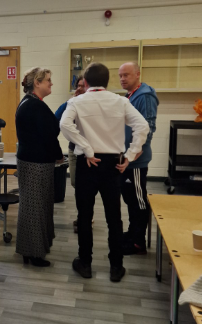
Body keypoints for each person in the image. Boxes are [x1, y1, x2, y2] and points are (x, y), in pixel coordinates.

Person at [60, 62, 149, 282]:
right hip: (113, 165)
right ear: (108, 81)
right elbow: (143, 126)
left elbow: (64, 124)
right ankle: (116, 267)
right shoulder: (120, 101)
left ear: (86, 82)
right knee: (114, 218)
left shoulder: (76, 101)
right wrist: (130, 155)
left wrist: (87, 148)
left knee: (84, 216)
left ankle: (85, 263)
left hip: (87, 163)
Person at [15, 67, 63, 267]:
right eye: (48, 80)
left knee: (33, 206)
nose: (51, 83)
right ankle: (33, 253)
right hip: (36, 164)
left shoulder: (30, 103)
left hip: (32, 161)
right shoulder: (34, 106)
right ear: (37, 82)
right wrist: (58, 155)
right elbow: (48, 136)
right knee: (35, 208)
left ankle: (31, 250)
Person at [118, 62, 159, 255]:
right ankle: (133, 233)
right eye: (120, 76)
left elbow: (149, 125)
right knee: (130, 198)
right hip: (128, 158)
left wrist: (138, 149)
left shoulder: (145, 96)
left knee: (138, 200)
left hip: (136, 160)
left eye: (126, 75)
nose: (122, 79)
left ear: (137, 74)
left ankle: (138, 242)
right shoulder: (131, 95)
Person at [55, 76, 86, 233]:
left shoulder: (92, 104)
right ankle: (84, 215)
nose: (79, 89)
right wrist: (69, 102)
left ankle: (85, 217)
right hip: (74, 149)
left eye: (83, 86)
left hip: (89, 152)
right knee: (75, 183)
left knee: (86, 187)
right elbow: (56, 118)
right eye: (78, 86)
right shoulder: (72, 103)